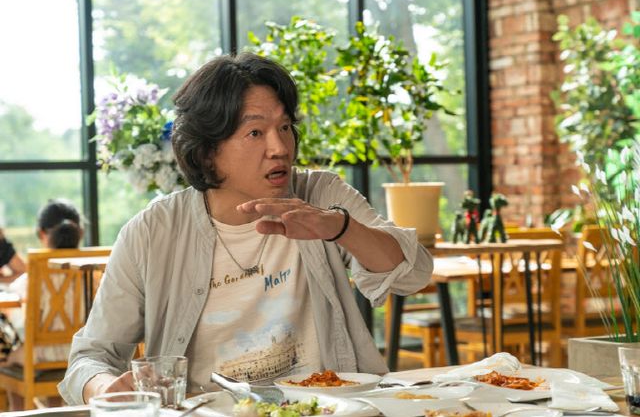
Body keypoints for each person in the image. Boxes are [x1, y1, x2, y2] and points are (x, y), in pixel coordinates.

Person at [58, 52, 434, 405]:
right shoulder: (152, 232)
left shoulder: (321, 195)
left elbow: (412, 274)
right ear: (207, 151)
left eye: (284, 127)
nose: (279, 147)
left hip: (331, 408)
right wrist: (105, 387)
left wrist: (338, 227)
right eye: (255, 132)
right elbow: (90, 357)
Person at [3, 199, 84, 409]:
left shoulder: (34, 275)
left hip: (39, 356)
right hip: (81, 351)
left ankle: (19, 411)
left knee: (7, 361)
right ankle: (53, 409)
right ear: (80, 233)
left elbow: (13, 309)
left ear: (41, 234)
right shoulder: (91, 271)